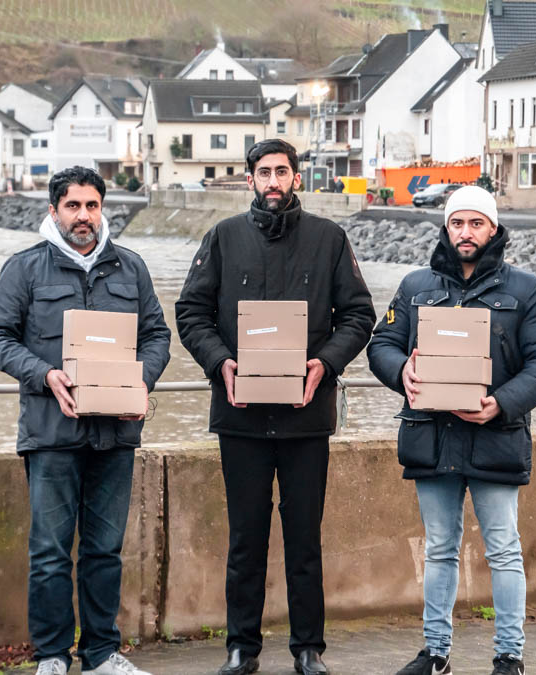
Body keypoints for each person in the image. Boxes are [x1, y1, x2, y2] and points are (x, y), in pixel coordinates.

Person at [175, 139, 376, 675]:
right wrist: (220, 363)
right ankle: (242, 648)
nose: (273, 181)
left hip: (306, 415)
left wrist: (325, 365)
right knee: (245, 539)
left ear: (296, 178)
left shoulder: (330, 239)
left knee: (305, 539)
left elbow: (359, 315)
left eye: (282, 172)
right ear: (250, 181)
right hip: (239, 414)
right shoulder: (222, 238)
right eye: (263, 172)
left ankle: (308, 649)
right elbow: (190, 312)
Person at [366, 186, 536, 675]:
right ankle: (435, 654)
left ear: (493, 229)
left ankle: (509, 658)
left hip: (495, 436)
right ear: (446, 228)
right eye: (458, 223)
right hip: (430, 437)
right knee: (439, 548)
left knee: (503, 548)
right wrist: (401, 373)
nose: (466, 232)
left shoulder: (527, 290)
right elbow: (382, 344)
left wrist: (501, 403)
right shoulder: (415, 286)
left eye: (476, 223)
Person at [0, 166, 170, 675]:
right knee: (49, 554)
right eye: (73, 206)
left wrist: (141, 381)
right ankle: (51, 656)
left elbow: (157, 336)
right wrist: (45, 375)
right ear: (53, 211)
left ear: (102, 209)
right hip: (51, 434)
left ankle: (102, 653)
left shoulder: (130, 268)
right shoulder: (25, 269)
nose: (83, 216)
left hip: (116, 433)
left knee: (105, 552)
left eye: (92, 206)